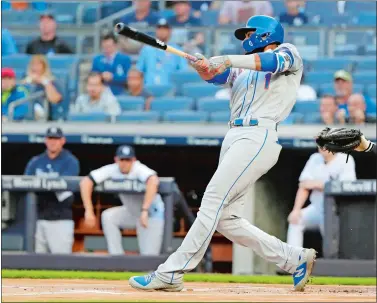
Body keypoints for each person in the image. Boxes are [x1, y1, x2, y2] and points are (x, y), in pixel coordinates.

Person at [130, 15, 316, 292]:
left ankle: (172, 272)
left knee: (212, 200)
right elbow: (215, 76)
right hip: (235, 135)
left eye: (248, 34)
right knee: (226, 219)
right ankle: (293, 258)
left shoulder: (287, 52)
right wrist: (202, 67)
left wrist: (226, 58)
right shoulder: (241, 68)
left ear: (265, 34)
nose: (244, 39)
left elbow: (271, 63)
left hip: (258, 134)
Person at [80, 145, 165, 256]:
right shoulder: (113, 169)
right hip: (133, 212)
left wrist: (145, 210)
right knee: (108, 216)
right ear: (116, 159)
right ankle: (117, 257)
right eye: (122, 159)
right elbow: (86, 182)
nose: (124, 163)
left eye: (128, 160)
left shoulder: (139, 168)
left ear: (133, 160)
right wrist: (89, 210)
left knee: (148, 257)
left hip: (151, 214)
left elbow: (153, 180)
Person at [286, 148, 356, 250]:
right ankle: (294, 261)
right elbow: (303, 186)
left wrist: (317, 184)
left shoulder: (346, 159)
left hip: (336, 211)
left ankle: (332, 263)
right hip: (317, 208)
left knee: (331, 241)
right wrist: (296, 210)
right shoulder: (314, 159)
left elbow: (345, 187)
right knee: (295, 220)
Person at [24, 127, 80, 254]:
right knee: (36, 264)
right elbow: (25, 183)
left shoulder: (70, 161)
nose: (53, 142)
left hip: (60, 220)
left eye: (56, 139)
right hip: (38, 218)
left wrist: (43, 186)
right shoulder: (36, 161)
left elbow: (64, 192)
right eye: (50, 138)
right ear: (45, 140)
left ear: (63, 141)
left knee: (61, 264)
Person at [136, 19, 188, 86]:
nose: (162, 31)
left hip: (170, 91)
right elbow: (139, 71)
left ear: (170, 31)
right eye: (159, 29)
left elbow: (182, 73)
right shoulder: (147, 49)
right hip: (149, 89)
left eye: (165, 29)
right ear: (156, 30)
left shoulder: (177, 50)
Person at [23, 55, 65, 121]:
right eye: (33, 64)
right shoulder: (25, 82)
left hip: (47, 118)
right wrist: (27, 81)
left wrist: (45, 82)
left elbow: (55, 99)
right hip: (25, 118)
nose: (35, 68)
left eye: (38, 64)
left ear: (44, 67)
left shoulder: (52, 82)